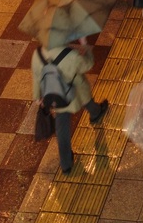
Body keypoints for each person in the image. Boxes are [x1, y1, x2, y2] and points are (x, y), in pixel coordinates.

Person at [31, 35, 109, 174]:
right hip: (77, 92)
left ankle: (66, 163)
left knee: (62, 128)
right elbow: (88, 64)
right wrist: (84, 45)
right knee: (87, 101)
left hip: (58, 97)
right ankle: (96, 113)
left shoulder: (37, 54)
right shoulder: (70, 55)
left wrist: (37, 97)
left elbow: (37, 77)